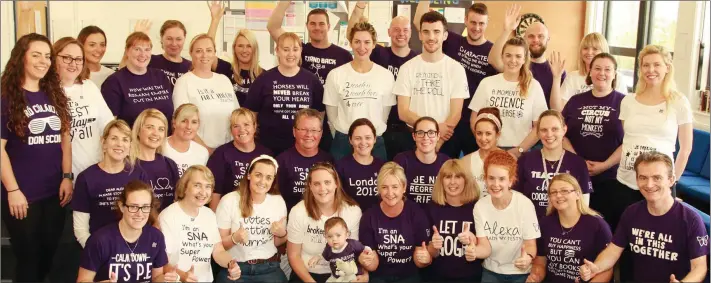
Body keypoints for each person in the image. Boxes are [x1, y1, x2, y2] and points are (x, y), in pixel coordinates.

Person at [0, 33, 73, 283]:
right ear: (21, 58)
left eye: (47, 56)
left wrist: (67, 176)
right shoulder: (6, 98)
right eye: (36, 55)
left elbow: (65, 140)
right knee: (28, 260)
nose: (43, 61)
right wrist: (13, 190)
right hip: (22, 195)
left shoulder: (54, 94)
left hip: (54, 192)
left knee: (47, 256)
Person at [578, 152, 709, 282]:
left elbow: (700, 268)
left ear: (671, 180)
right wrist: (596, 267)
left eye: (657, 178)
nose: (649, 184)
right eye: (643, 177)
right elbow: (613, 251)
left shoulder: (691, 219)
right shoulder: (632, 212)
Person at [611, 45, 693, 231]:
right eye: (646, 65)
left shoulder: (678, 102)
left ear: (667, 67)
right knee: (624, 237)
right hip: (626, 181)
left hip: (659, 185)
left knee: (656, 238)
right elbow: (628, 140)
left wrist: (673, 182)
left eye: (657, 64)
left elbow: (686, 149)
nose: (651, 70)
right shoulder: (628, 101)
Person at [415, 1, 498, 158]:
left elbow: (504, 67)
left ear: (487, 24)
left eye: (481, 23)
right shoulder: (452, 40)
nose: (476, 27)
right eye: (473, 22)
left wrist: (507, 30)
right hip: (448, 120)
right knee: (445, 167)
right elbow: (419, 21)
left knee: (473, 170)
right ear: (466, 20)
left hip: (474, 122)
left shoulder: (492, 52)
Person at [268, 2, 354, 153]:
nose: (317, 27)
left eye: (321, 24)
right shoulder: (298, 50)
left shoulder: (344, 55)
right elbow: (273, 27)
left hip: (331, 123)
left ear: (329, 26)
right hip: (302, 126)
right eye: (313, 23)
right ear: (307, 26)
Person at [347, 2, 419, 160]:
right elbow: (352, 33)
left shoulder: (417, 61)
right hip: (383, 129)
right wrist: (359, 6)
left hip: (408, 129)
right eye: (396, 29)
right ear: (389, 32)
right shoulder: (378, 53)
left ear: (411, 33)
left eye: (405, 30)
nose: (401, 33)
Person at [394, 11, 469, 154]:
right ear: (420, 35)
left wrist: (437, 141)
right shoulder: (407, 68)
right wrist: (430, 130)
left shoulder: (456, 69)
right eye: (426, 32)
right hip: (412, 140)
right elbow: (403, 112)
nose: (431, 37)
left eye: (436, 32)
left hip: (445, 141)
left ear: (445, 35)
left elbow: (456, 113)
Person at [561, 53, 625, 217]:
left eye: (607, 69)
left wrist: (605, 165)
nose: (601, 73)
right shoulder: (575, 101)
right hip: (575, 175)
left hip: (611, 178)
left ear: (614, 74)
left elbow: (629, 141)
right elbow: (560, 133)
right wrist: (577, 161)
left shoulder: (625, 103)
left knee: (605, 224)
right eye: (597, 68)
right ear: (590, 72)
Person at [76, 180, 178, 282]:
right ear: (122, 207)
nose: (139, 213)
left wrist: (166, 278)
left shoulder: (156, 237)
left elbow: (156, 278)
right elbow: (82, 280)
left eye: (145, 207)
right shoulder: (100, 240)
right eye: (133, 207)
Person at [244, 32, 325, 156]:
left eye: (295, 49)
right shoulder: (263, 80)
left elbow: (320, 115)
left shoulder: (312, 80)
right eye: (286, 49)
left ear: (301, 51)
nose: (291, 54)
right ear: (277, 50)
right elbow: (250, 116)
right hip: (268, 147)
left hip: (303, 148)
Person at [324, 21, 395, 161]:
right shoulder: (336, 74)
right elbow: (331, 117)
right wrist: (345, 137)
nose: (362, 47)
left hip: (375, 143)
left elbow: (384, 115)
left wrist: (370, 136)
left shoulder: (386, 76)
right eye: (357, 41)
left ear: (374, 44)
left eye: (367, 42)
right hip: (343, 142)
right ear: (350, 43)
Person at [159, 165, 241, 283]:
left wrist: (231, 264)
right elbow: (163, 263)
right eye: (197, 185)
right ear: (185, 186)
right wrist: (182, 276)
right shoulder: (168, 216)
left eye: (208, 187)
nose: (203, 192)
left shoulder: (209, 215)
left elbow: (218, 251)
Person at [469, 36, 547, 158]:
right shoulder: (487, 83)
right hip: (489, 150)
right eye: (508, 55)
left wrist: (519, 150)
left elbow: (539, 126)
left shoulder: (534, 86)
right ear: (502, 57)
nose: (513, 60)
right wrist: (487, 145)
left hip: (521, 153)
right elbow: (474, 118)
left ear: (524, 59)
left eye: (518, 56)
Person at [72, 119, 147, 247]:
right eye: (114, 138)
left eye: (125, 140)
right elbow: (81, 230)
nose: (119, 144)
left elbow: (146, 216)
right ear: (103, 143)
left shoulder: (138, 175)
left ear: (130, 146)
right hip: (99, 249)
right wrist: (98, 252)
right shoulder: (86, 178)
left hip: (134, 249)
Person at [528, 173, 612, 283]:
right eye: (553, 192)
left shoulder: (597, 225)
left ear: (577, 194)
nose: (558, 195)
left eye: (564, 191)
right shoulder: (545, 224)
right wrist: (536, 276)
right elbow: (540, 262)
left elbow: (607, 270)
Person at [215, 155, 288, 283]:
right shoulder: (229, 200)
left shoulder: (278, 201)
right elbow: (219, 246)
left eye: (268, 177)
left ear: (273, 181)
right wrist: (234, 238)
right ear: (249, 175)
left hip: (268, 268)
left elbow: (277, 242)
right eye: (258, 175)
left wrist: (282, 234)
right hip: (236, 267)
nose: (262, 181)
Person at [287, 162, 363, 283]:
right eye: (317, 184)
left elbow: (356, 251)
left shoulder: (353, 211)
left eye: (327, 182)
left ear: (336, 184)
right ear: (310, 186)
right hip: (306, 274)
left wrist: (363, 274)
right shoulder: (298, 211)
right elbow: (293, 255)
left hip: (341, 275)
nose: (322, 189)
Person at [473, 150, 540, 283]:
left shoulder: (524, 204)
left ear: (511, 181)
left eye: (502, 179)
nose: (496, 184)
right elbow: (484, 247)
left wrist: (528, 257)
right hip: (490, 271)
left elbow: (531, 244)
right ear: (485, 179)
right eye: (491, 178)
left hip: (519, 273)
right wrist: (473, 251)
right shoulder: (480, 206)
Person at [359, 162, 431, 282]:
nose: (390, 193)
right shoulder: (369, 216)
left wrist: (425, 259)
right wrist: (366, 261)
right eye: (384, 187)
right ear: (378, 189)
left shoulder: (416, 213)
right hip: (379, 276)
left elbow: (420, 261)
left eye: (395, 187)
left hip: (409, 276)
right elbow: (373, 265)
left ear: (404, 188)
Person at [53, 37, 114, 177]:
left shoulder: (89, 86)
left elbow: (108, 124)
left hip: (95, 168)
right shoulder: (46, 91)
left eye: (78, 59)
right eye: (67, 58)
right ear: (54, 58)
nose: (73, 64)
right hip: (63, 174)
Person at [513, 110, 591, 219]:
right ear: (538, 133)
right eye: (544, 130)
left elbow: (584, 204)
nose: (549, 135)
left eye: (555, 129)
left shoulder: (577, 163)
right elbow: (515, 197)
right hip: (530, 224)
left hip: (563, 227)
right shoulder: (525, 160)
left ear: (564, 130)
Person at [489, 4, 566, 108]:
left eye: (540, 36)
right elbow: (493, 60)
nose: (535, 40)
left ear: (548, 39)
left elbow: (557, 110)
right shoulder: (516, 65)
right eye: (531, 36)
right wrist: (506, 31)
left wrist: (556, 78)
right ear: (524, 38)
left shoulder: (557, 71)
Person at [173, 34, 239, 153]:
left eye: (209, 50)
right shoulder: (184, 82)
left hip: (228, 153)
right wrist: (207, 151)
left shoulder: (224, 80)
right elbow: (182, 124)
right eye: (199, 51)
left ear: (214, 53)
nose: (204, 55)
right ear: (191, 54)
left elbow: (236, 117)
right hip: (199, 152)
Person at [424, 159, 482, 282]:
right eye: (448, 177)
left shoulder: (477, 208)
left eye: (458, 177)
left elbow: (486, 248)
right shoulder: (432, 208)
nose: (452, 182)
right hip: (437, 277)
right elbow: (430, 254)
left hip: (470, 277)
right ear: (441, 181)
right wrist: (434, 246)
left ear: (466, 180)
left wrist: (473, 240)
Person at [101, 31, 174, 129]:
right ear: (127, 51)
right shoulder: (113, 82)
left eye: (147, 49)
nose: (143, 54)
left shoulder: (161, 77)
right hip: (133, 142)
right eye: (137, 49)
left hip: (163, 140)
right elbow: (110, 124)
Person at [208, 108, 272, 210]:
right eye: (236, 126)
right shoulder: (221, 154)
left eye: (246, 125)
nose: (242, 130)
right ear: (231, 130)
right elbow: (215, 193)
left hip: (259, 213)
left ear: (254, 126)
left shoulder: (266, 154)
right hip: (229, 211)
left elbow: (272, 192)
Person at [206, 2, 264, 105]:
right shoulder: (226, 69)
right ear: (234, 48)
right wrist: (215, 20)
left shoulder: (264, 75)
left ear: (255, 49)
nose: (244, 50)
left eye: (249, 46)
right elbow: (207, 51)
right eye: (240, 46)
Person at [276, 108, 334, 211]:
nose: (309, 135)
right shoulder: (281, 161)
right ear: (294, 131)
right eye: (303, 129)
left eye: (314, 130)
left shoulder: (329, 161)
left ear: (321, 133)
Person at [553, 33, 628, 110]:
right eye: (585, 48)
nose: (589, 52)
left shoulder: (617, 78)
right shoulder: (573, 77)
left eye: (595, 49)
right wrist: (556, 78)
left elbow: (624, 110)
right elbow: (558, 110)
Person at [130, 108, 180, 210]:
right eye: (150, 127)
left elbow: (178, 201)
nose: (155, 133)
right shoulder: (128, 166)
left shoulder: (170, 165)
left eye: (161, 129)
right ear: (138, 131)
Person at [394, 117, 449, 205]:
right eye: (420, 133)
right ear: (414, 136)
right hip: (408, 216)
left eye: (431, 133)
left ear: (438, 136)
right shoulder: (402, 161)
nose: (425, 137)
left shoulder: (446, 163)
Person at [335, 119, 386, 211]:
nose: (363, 142)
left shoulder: (383, 167)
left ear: (374, 139)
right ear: (350, 140)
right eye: (358, 138)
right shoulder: (341, 167)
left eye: (368, 138)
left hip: (376, 220)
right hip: (350, 219)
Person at [461, 107, 502, 197]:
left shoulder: (509, 160)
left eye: (488, 133)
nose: (483, 138)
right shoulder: (464, 162)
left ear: (498, 134)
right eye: (479, 133)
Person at [309, 217, 366, 282]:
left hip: (353, 275)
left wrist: (368, 252)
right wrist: (318, 257)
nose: (334, 239)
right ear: (325, 237)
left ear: (347, 234)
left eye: (338, 235)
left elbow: (364, 249)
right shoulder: (328, 248)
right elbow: (324, 257)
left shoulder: (352, 244)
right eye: (330, 236)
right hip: (336, 276)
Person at [163, 103, 209, 176]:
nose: (189, 127)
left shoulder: (202, 153)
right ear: (174, 123)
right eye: (184, 121)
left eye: (194, 122)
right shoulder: (160, 147)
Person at [146, 20, 192, 85]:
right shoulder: (150, 61)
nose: (174, 44)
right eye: (169, 39)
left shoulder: (191, 67)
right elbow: (128, 66)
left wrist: (212, 21)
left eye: (178, 39)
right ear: (162, 38)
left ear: (184, 39)